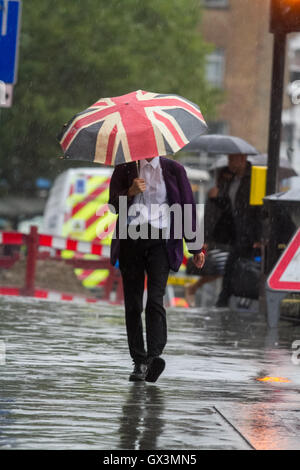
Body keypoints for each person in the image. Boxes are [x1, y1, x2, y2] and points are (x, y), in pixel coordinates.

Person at [108, 156, 205, 382]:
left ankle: (154, 357)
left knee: (154, 299)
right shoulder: (124, 169)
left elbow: (186, 207)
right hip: (131, 239)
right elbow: (112, 206)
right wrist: (129, 192)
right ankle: (139, 361)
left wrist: (195, 246)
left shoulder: (174, 170)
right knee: (133, 303)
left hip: (161, 241)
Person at [204, 153, 262, 308]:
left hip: (248, 233)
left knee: (242, 266)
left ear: (242, 159)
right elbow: (227, 208)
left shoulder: (254, 178)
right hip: (235, 232)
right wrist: (215, 196)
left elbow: (259, 210)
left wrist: (260, 236)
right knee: (234, 266)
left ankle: (228, 299)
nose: (229, 162)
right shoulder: (230, 179)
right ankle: (228, 299)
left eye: (232, 159)